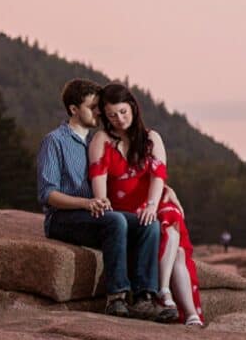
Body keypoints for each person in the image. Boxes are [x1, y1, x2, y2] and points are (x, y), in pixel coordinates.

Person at [36, 78, 177, 322]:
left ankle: (144, 296)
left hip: (93, 215)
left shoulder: (94, 141)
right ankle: (116, 298)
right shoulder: (54, 141)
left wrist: (161, 196)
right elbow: (47, 194)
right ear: (74, 110)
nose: (99, 113)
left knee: (148, 224)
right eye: (93, 107)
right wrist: (86, 203)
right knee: (115, 222)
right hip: (63, 218)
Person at [89, 83, 205, 327]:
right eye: (111, 115)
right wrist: (102, 201)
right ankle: (167, 299)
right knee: (169, 245)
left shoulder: (151, 138)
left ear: (132, 107)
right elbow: (97, 176)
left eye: (123, 112)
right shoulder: (102, 139)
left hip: (147, 204)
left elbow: (157, 177)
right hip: (121, 209)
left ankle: (158, 293)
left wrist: (152, 205)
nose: (119, 120)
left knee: (165, 219)